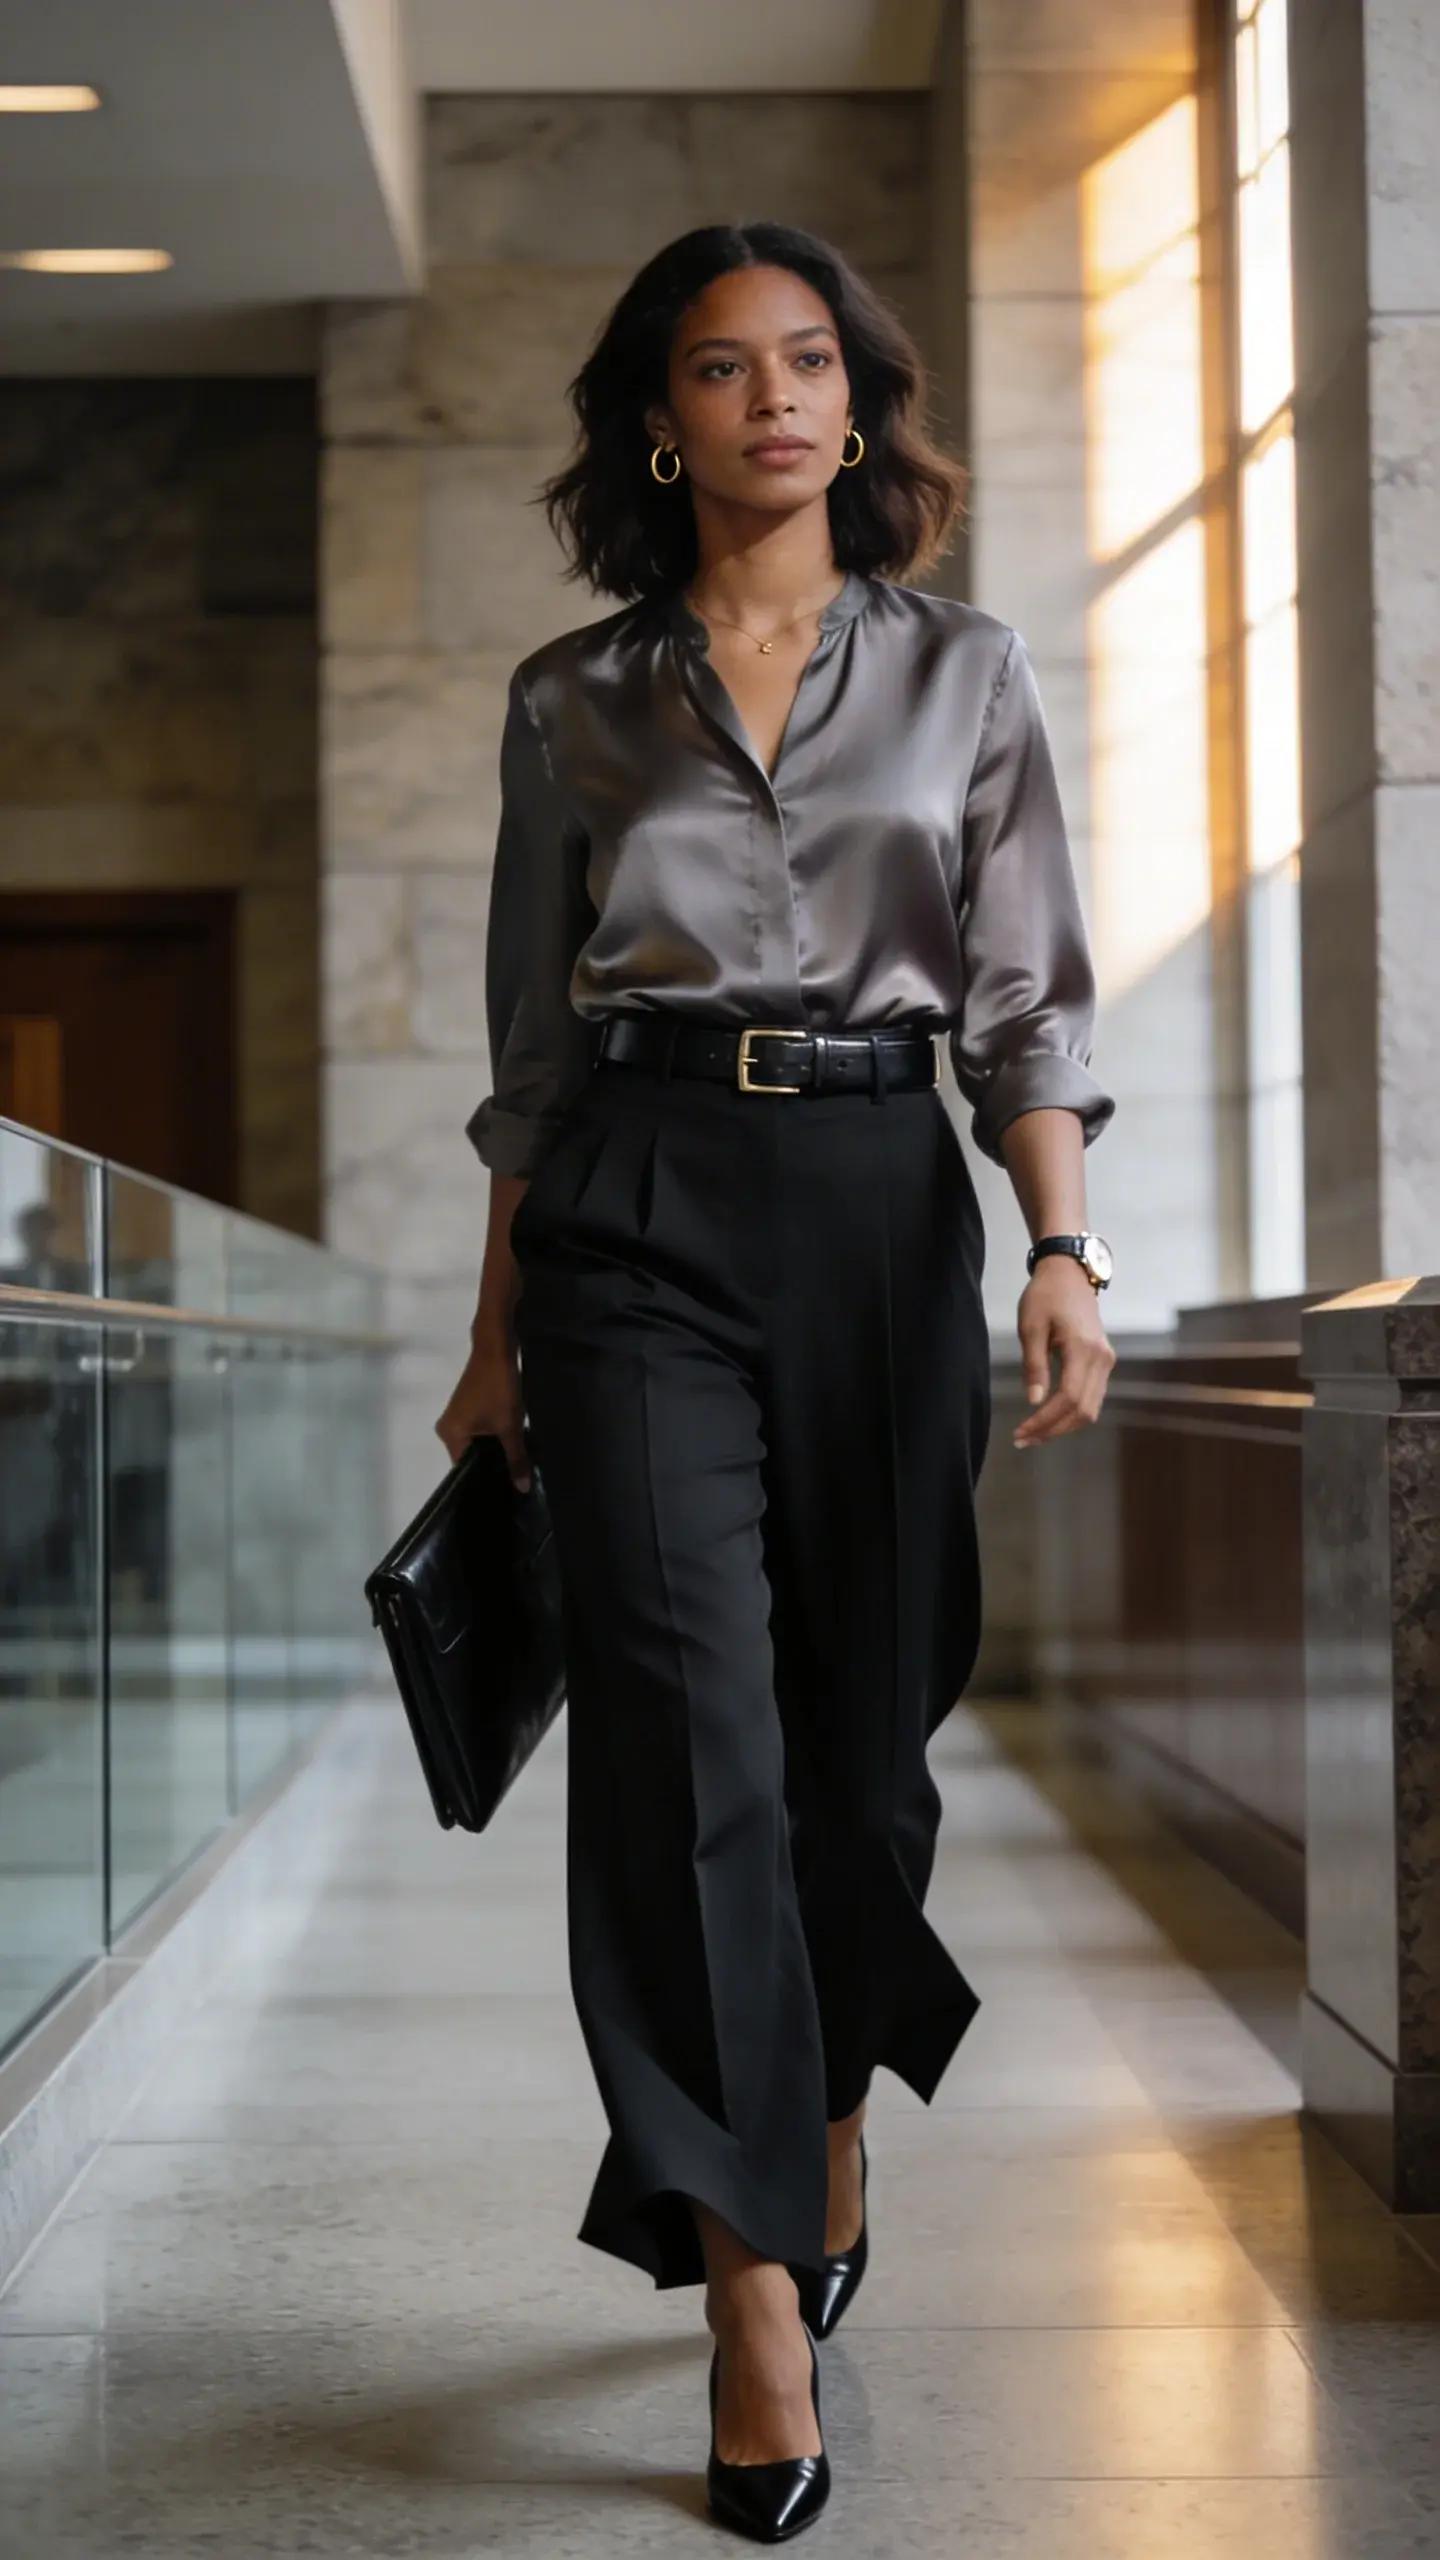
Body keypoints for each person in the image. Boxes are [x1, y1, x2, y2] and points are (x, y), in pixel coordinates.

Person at [437, 220, 1116, 2544]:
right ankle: (749, 2287)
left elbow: (1029, 1000)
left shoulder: (970, 673)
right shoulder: (571, 700)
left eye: (810, 360)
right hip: (634, 1209)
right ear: (661, 418)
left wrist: (1060, 1243)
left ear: (861, 400)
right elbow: (531, 1058)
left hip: (879, 1204)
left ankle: (820, 2097)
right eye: (722, 369)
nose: (774, 400)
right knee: (681, 1731)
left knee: (853, 1746)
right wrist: (489, 1337)